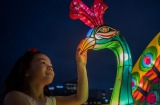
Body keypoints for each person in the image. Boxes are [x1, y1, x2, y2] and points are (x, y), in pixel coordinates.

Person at [3, 40, 88, 105]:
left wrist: (81, 64)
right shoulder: (14, 97)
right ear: (26, 71)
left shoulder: (50, 101)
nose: (50, 67)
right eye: (43, 62)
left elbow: (80, 98)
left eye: (51, 65)